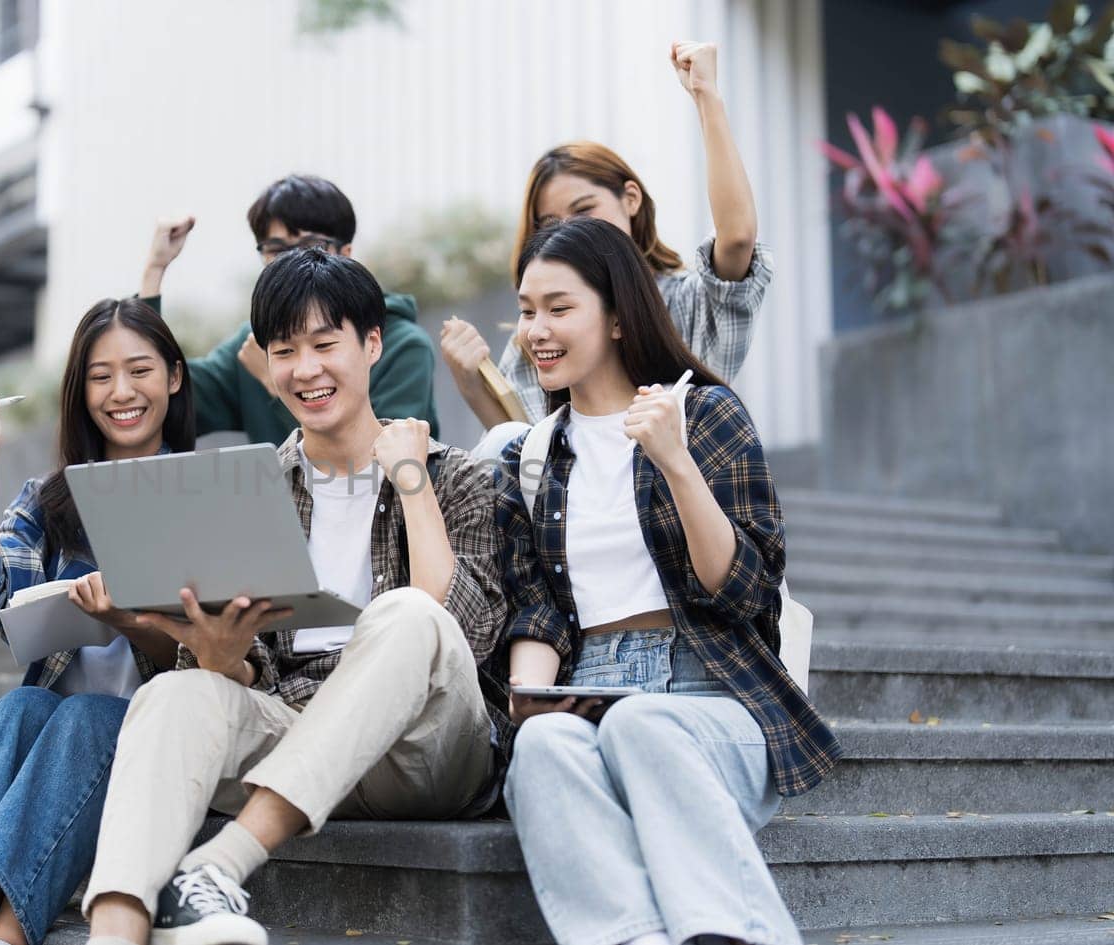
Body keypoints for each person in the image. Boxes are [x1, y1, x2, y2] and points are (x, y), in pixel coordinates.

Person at [80, 249, 507, 945]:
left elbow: (460, 631)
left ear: (372, 344)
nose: (305, 369)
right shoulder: (251, 489)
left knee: (405, 612)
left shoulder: (453, 476)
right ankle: (116, 930)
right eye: (284, 350)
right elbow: (242, 681)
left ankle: (221, 863)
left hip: (425, 752)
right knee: (168, 695)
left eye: (324, 344)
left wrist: (410, 480)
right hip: (294, 731)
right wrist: (223, 659)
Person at [493, 217, 839, 945]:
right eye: (527, 310)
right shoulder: (531, 457)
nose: (537, 330)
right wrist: (533, 705)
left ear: (618, 315)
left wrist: (674, 461)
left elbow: (745, 589)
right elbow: (539, 613)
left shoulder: (704, 414)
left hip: (714, 691)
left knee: (643, 720)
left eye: (560, 307)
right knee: (545, 750)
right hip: (587, 686)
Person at [0, 298, 197, 945]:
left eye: (139, 371)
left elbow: (212, 655)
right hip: (59, 740)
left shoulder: (200, 491)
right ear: (81, 391)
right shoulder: (54, 498)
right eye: (101, 376)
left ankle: (8, 937)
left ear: (174, 378)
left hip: (160, 738)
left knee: (85, 716)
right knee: (16, 709)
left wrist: (129, 620)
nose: (121, 392)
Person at [440, 40, 773, 448]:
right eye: (550, 223)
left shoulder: (684, 304)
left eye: (584, 210)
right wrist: (475, 385)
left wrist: (706, 95)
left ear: (630, 199)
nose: (569, 233)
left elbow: (737, 239)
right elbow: (526, 458)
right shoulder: (537, 335)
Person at [140, 173, 440, 443]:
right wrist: (154, 271)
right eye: (276, 249)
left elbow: (388, 468)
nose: (296, 260)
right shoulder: (256, 341)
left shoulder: (402, 345)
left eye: (311, 245)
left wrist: (276, 384)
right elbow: (162, 400)